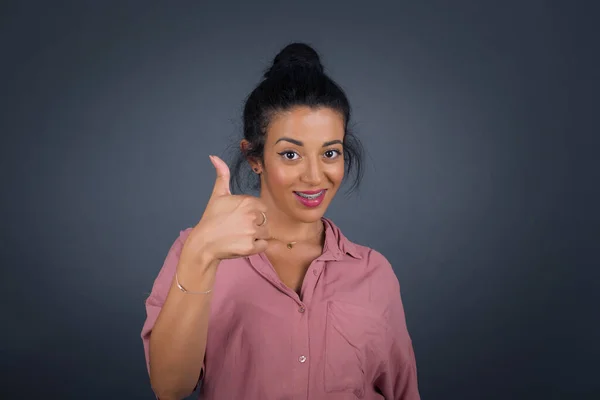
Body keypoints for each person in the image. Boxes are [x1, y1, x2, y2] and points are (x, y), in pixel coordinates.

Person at [141, 42, 420, 400]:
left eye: (330, 153)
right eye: (291, 154)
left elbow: (403, 392)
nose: (315, 175)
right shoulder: (195, 250)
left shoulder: (374, 273)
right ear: (254, 157)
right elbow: (169, 387)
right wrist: (202, 254)